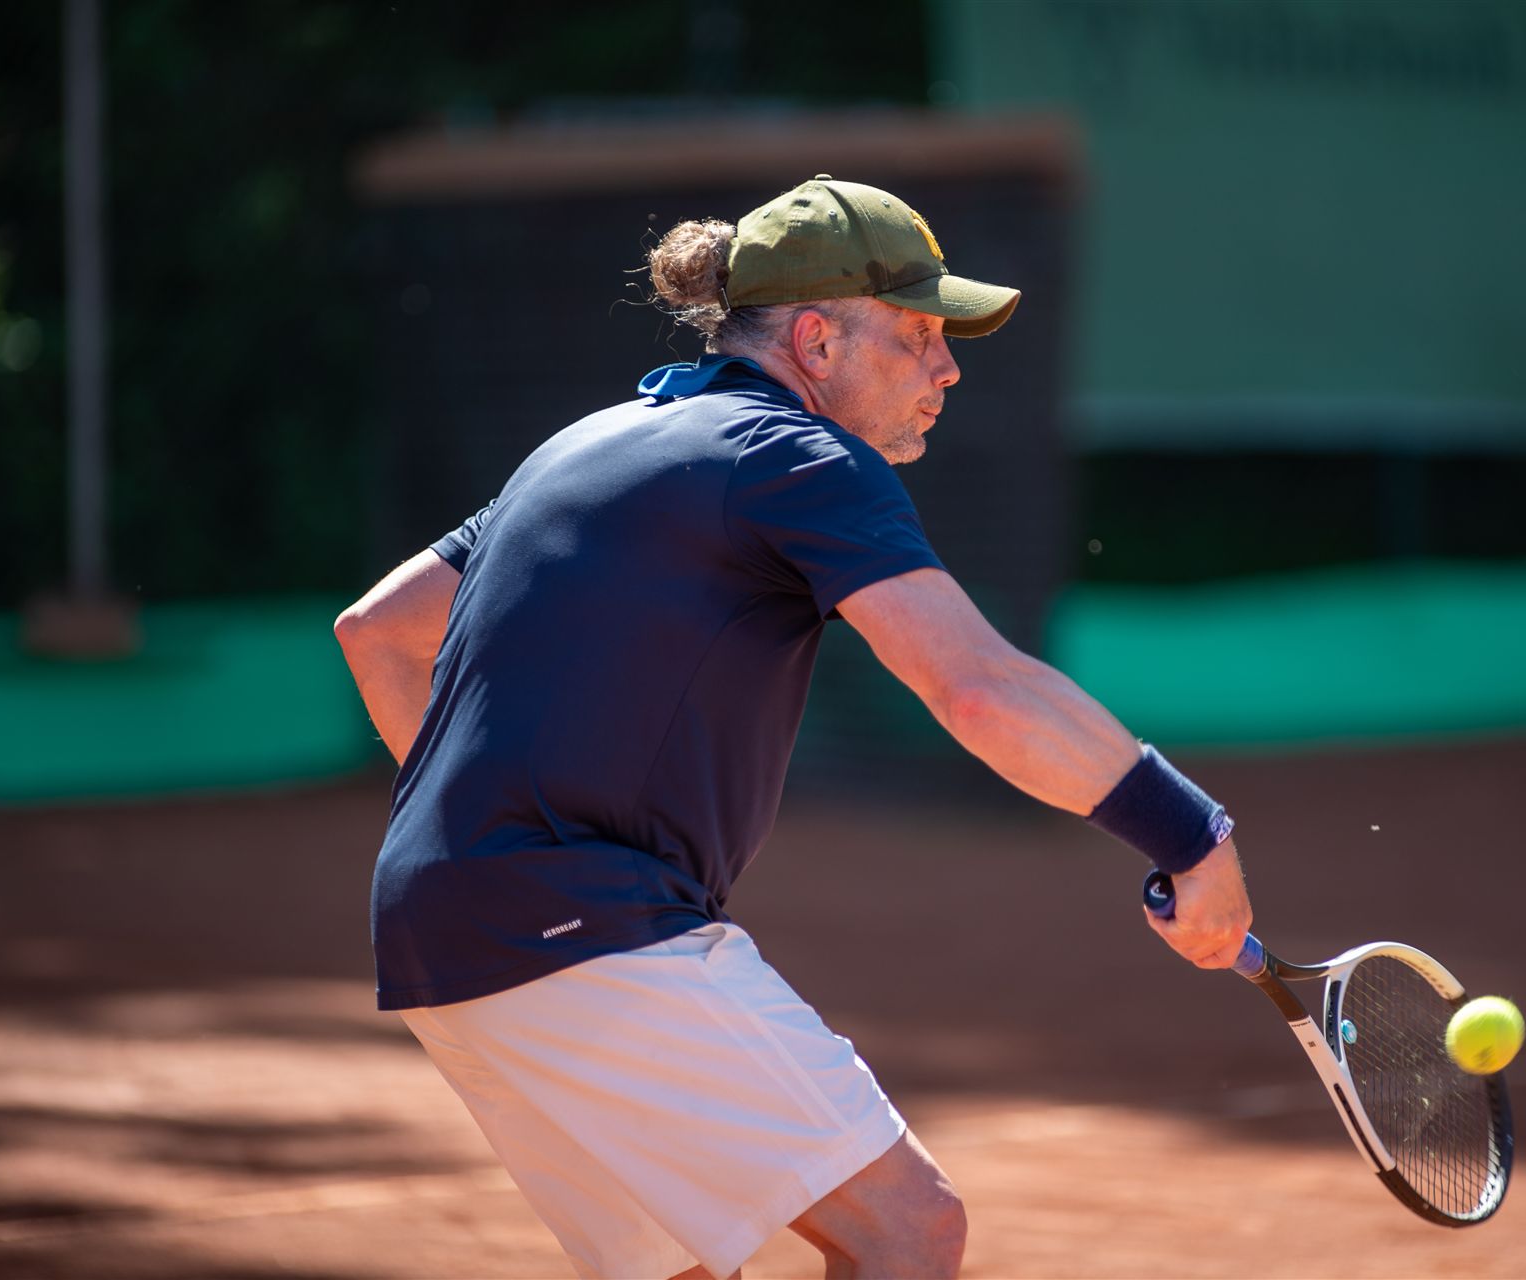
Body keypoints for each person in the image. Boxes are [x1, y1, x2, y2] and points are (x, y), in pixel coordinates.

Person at [334, 175, 1253, 1279]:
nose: (948, 368)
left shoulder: (584, 444)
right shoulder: (800, 456)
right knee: (908, 1226)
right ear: (816, 341)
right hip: (585, 924)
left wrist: (491, 839)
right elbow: (978, 686)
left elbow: (375, 632)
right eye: (918, 335)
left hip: (438, 930)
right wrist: (1190, 834)